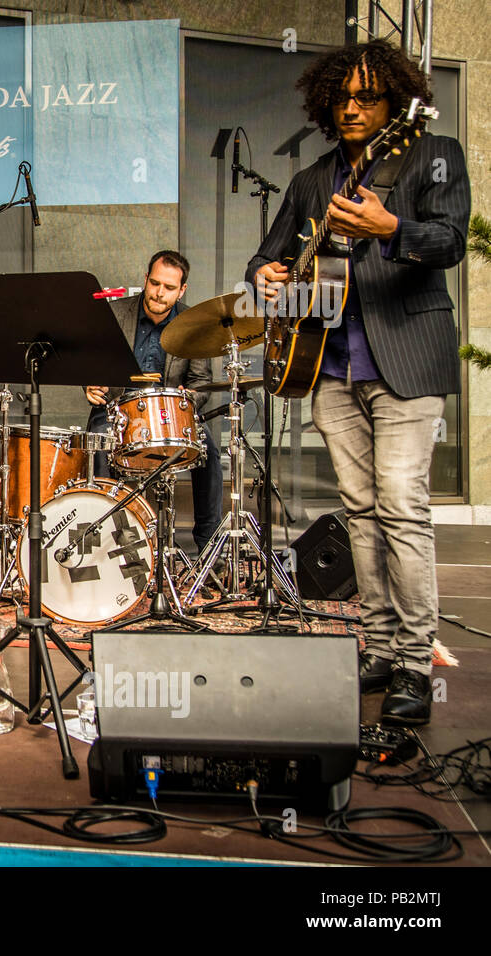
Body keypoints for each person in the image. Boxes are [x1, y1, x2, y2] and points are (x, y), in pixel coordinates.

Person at [247, 41, 469, 725]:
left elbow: (451, 240)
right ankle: (375, 646)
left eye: (367, 96)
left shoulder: (433, 154)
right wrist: (267, 276)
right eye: (342, 97)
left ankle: (413, 658)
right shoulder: (313, 179)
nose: (351, 107)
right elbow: (269, 255)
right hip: (331, 365)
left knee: (402, 506)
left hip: (405, 356)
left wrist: (391, 226)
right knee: (363, 512)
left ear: (395, 103)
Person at [82, 250, 223, 552]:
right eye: (155, 283)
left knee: (209, 451)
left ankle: (209, 546)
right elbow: (91, 364)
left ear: (182, 289)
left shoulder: (193, 324)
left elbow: (202, 383)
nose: (159, 293)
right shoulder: (115, 313)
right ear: (145, 279)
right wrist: (89, 384)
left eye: (169, 287)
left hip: (170, 414)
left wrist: (188, 400)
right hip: (118, 411)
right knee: (97, 442)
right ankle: (106, 543)